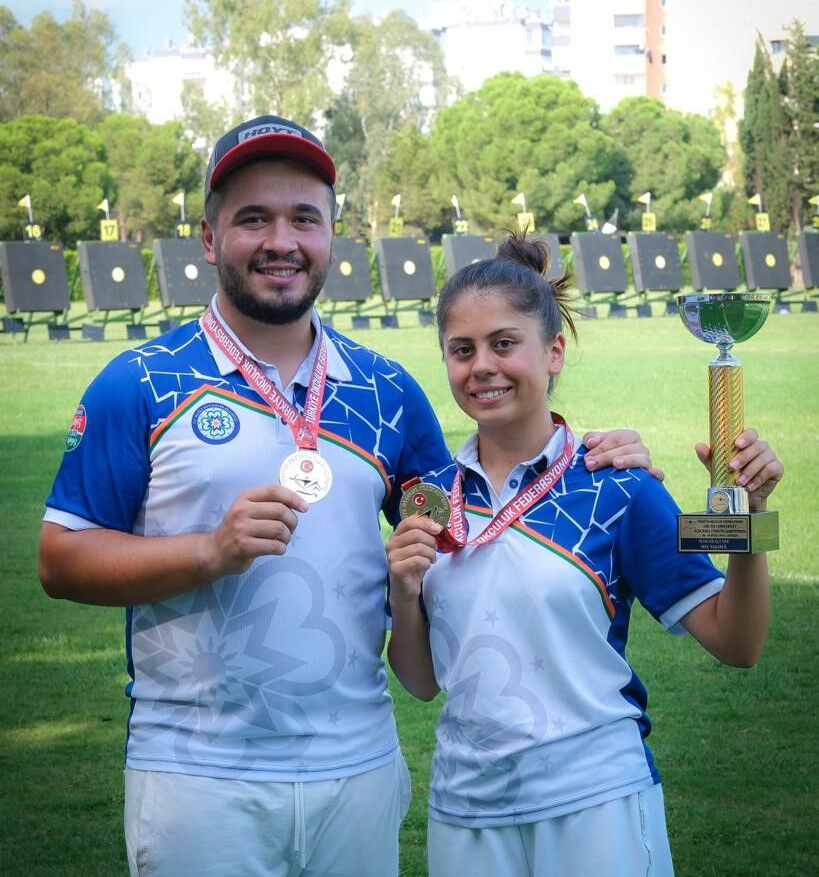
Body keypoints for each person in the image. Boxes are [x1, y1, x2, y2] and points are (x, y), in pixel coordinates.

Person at [39, 115, 662, 877]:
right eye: (252, 219)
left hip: (358, 764)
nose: (281, 240)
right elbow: (61, 559)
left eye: (304, 218)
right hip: (197, 772)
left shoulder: (386, 391)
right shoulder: (138, 382)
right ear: (208, 238)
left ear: (332, 235)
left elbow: (481, 519)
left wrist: (603, 460)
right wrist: (208, 551)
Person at [386, 233, 783, 877]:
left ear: (555, 352)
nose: (482, 366)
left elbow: (738, 643)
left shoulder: (620, 486)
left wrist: (752, 517)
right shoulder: (430, 499)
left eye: (504, 343)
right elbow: (421, 682)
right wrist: (404, 592)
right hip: (465, 813)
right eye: (462, 350)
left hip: (595, 803)